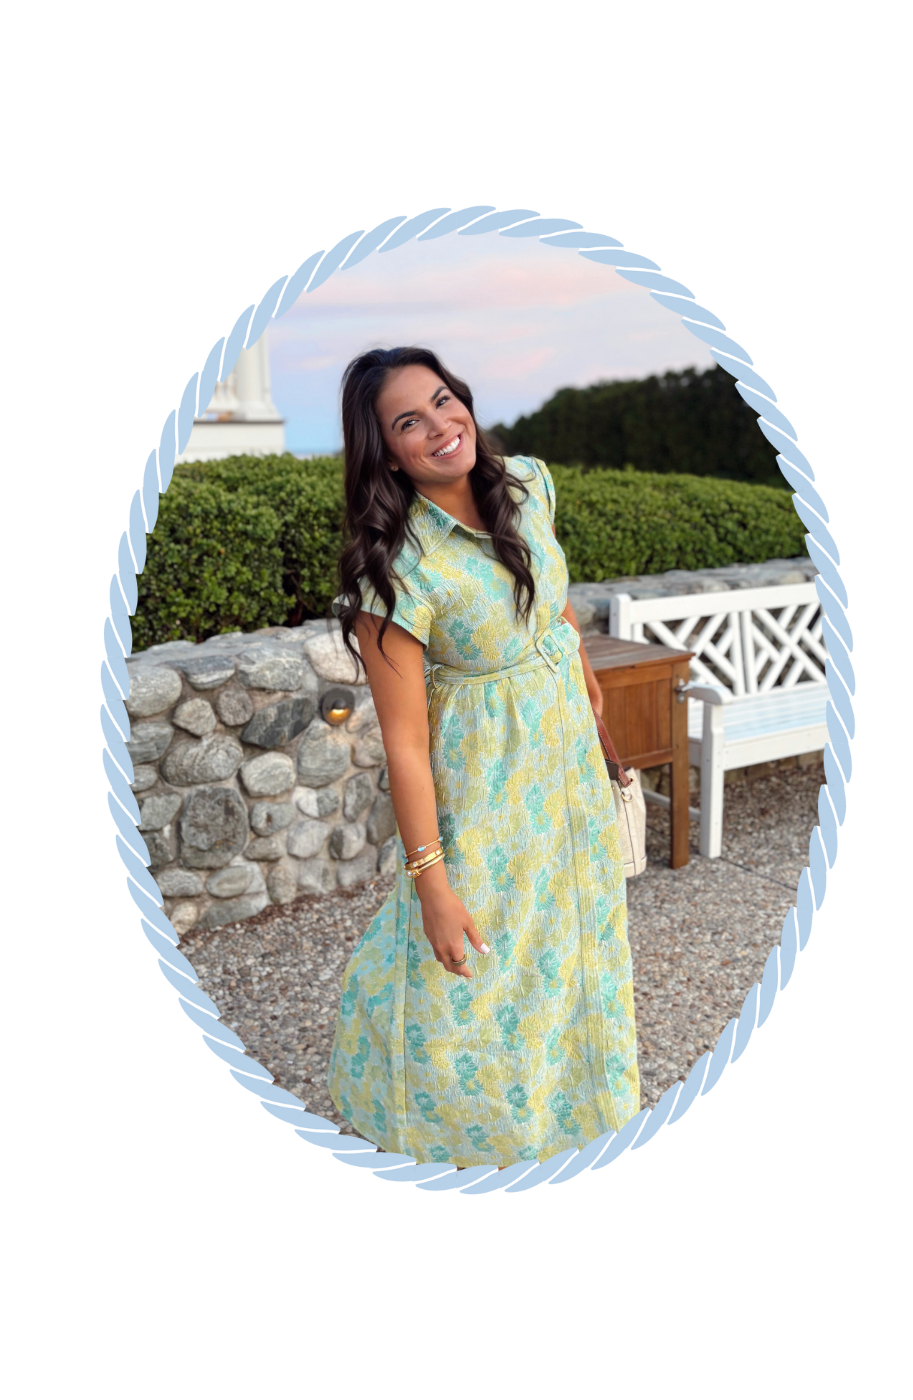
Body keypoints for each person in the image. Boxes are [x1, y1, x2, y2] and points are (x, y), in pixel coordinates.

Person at [326, 346, 640, 1169]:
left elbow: (554, 601)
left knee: (571, 944)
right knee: (471, 970)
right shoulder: (394, 567)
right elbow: (403, 740)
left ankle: (577, 1110)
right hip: (486, 793)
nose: (439, 426)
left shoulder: (529, 481)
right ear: (385, 450)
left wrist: (582, 679)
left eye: (442, 401)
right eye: (408, 422)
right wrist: (430, 882)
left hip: (565, 771)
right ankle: (449, 1130)